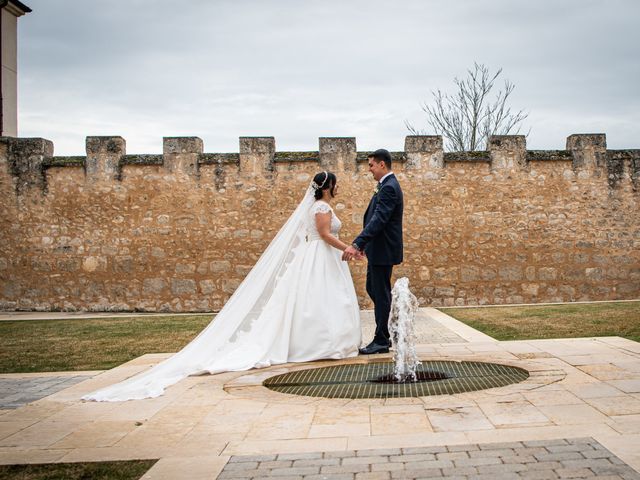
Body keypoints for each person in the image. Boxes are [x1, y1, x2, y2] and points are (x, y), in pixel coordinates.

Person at [83, 172, 361, 401]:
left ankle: (326, 342)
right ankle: (322, 344)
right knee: (320, 300)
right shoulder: (322, 208)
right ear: (329, 186)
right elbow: (323, 234)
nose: (337, 188)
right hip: (319, 258)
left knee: (321, 301)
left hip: (319, 259)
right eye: (335, 184)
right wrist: (348, 247)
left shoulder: (316, 207)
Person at [342, 149, 404, 355]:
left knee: (380, 292)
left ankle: (381, 339)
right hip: (378, 249)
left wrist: (357, 244)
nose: (369, 169)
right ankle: (390, 327)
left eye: (371, 165)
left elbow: (379, 219)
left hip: (384, 249)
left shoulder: (389, 187)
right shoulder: (385, 186)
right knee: (375, 289)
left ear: (382, 165)